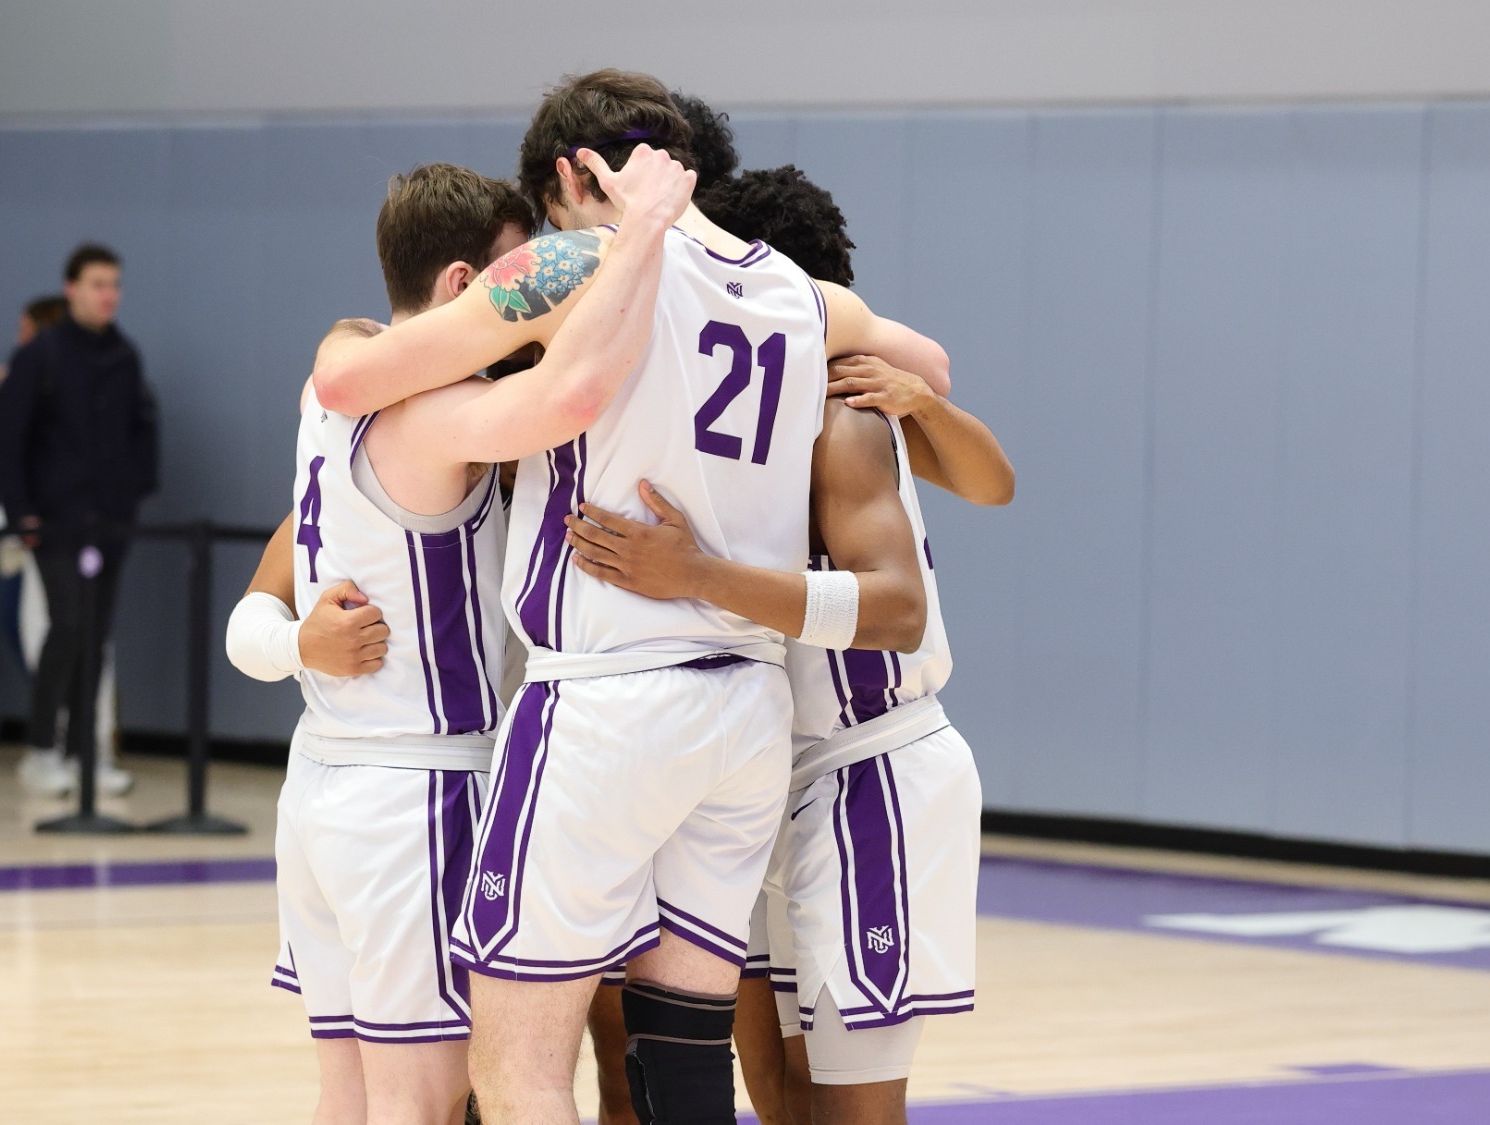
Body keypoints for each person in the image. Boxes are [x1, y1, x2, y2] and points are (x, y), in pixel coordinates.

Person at [312, 69, 950, 1125]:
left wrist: (349, 341)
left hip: (603, 698)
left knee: (514, 1066)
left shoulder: (573, 261)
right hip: (746, 709)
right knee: (680, 1061)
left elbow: (353, 382)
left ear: (573, 176)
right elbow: (923, 360)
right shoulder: (795, 294)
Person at [230, 151, 692, 1125]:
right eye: (510, 278)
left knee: (347, 1094)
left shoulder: (334, 379)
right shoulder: (433, 414)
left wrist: (289, 649)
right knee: (425, 1101)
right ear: (459, 286)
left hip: (319, 789)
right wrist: (634, 234)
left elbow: (253, 609)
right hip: (416, 791)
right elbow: (571, 395)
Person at [577, 161, 1015, 1125]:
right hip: (772, 776)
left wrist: (693, 573)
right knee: (779, 1089)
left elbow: (947, 545)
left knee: (852, 1104)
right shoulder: (732, 423)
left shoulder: (843, 406)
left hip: (872, 770)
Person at [0, 243, 158, 798]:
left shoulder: (124, 355)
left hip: (110, 520)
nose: (107, 294)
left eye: (114, 284)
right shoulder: (40, 355)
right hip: (55, 520)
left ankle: (86, 754)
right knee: (66, 628)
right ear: (71, 289)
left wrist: (131, 493)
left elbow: (141, 430)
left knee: (95, 636)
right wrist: (23, 513)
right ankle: (41, 750)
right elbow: (9, 440)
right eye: (96, 284)